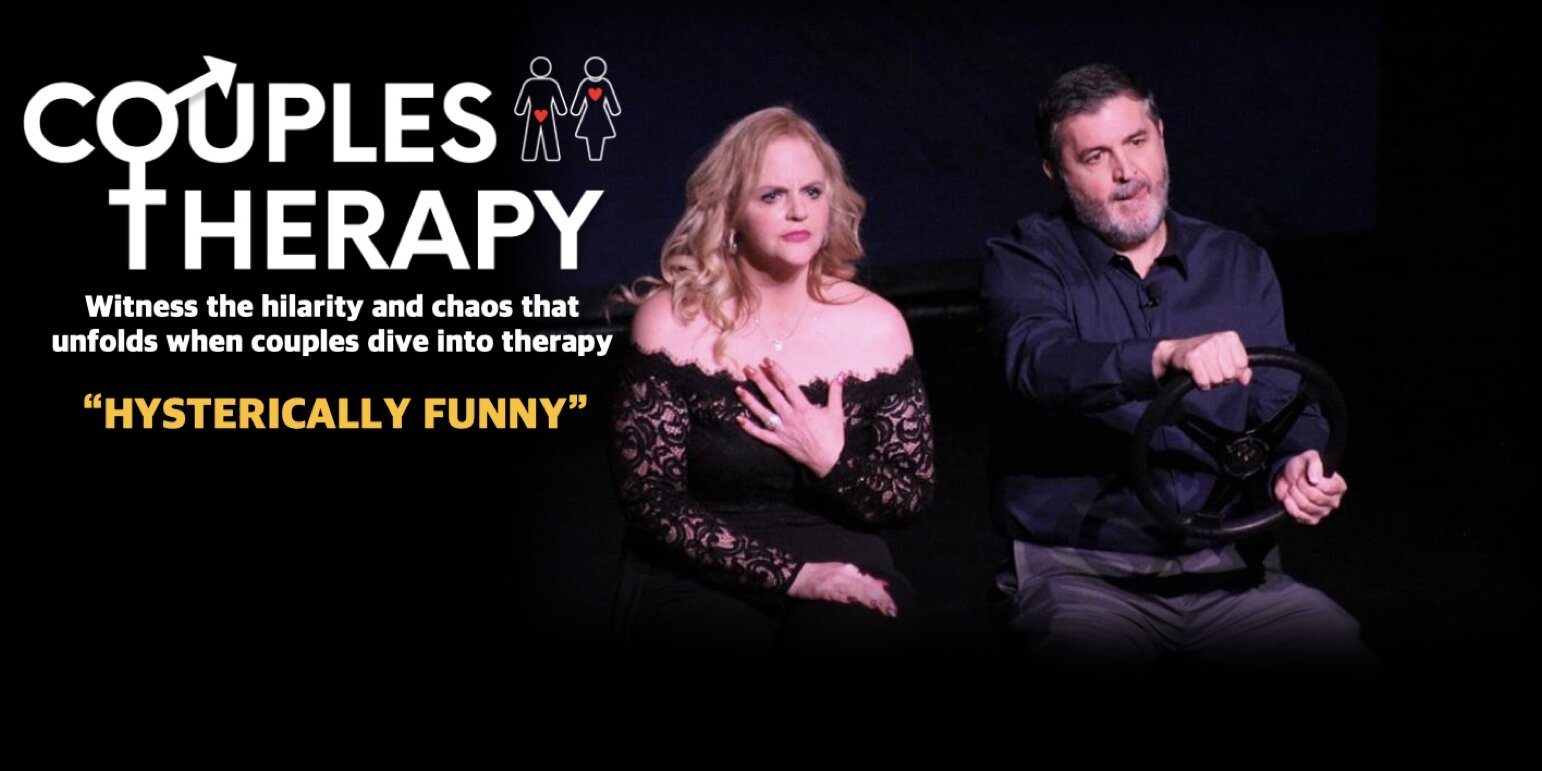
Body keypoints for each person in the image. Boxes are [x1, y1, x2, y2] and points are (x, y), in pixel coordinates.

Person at [980, 64, 1378, 676]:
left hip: (1231, 573)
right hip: (1083, 577)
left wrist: (1295, 460)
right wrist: (1162, 355)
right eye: (1096, 157)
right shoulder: (1025, 261)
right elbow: (1038, 362)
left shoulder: (1236, 262)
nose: (1126, 172)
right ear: (1056, 173)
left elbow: (1281, 401)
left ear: (1161, 136)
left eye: (1137, 142)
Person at [610, 106, 935, 660]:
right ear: (730, 213)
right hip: (701, 566)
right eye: (771, 196)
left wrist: (832, 461)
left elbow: (909, 499)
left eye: (812, 191)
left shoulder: (877, 325)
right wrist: (792, 576)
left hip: (842, 558)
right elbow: (652, 501)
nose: (797, 211)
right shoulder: (671, 322)